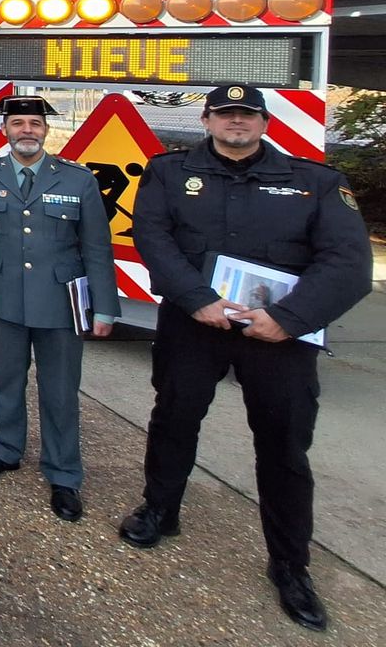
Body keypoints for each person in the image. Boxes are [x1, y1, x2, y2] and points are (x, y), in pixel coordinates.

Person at [119, 85, 372, 632]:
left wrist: (291, 319)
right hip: (194, 326)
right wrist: (198, 301)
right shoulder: (168, 173)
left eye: (247, 114)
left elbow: (348, 262)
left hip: (278, 339)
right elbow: (153, 239)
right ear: (208, 119)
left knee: (283, 446)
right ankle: (161, 509)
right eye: (227, 113)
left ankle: (290, 564)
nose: (237, 122)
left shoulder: (316, 182)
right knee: (173, 421)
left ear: (263, 121)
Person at [0, 94, 117, 523]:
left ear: (46, 130)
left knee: (60, 391)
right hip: (3, 298)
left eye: (34, 123)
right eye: (18, 123)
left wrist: (104, 309)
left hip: (61, 303)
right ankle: (6, 448)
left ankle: (63, 473)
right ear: (5, 130)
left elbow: (98, 249)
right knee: (5, 381)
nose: (26, 130)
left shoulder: (77, 180)